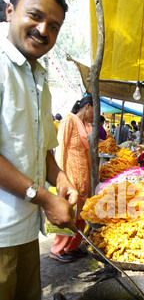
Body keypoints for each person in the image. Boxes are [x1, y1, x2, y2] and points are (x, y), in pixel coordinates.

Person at [0, 0, 77, 300]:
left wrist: (61, 178)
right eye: (35, 15)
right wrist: (42, 196)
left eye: (54, 25)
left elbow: (45, 149)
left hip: (26, 226)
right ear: (10, 11)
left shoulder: (39, 76)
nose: (43, 29)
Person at [50, 95, 94, 262]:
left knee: (81, 213)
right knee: (68, 211)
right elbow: (60, 147)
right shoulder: (69, 120)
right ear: (88, 106)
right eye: (94, 111)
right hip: (70, 174)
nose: (95, 116)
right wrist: (61, 176)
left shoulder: (86, 126)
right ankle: (58, 249)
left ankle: (72, 246)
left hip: (83, 176)